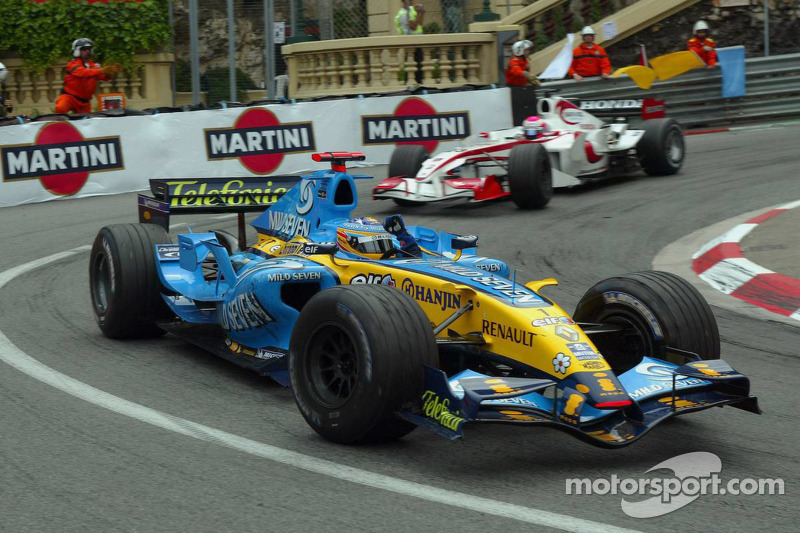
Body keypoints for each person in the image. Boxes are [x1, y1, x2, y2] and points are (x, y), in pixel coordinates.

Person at [55, 38, 121, 115]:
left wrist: (110, 73)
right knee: (60, 108)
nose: (87, 51)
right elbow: (83, 72)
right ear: (77, 51)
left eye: (89, 49)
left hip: (85, 102)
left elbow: (103, 77)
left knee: (85, 122)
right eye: (84, 49)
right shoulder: (72, 64)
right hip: (69, 97)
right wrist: (100, 70)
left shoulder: (94, 65)